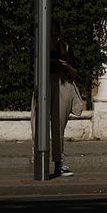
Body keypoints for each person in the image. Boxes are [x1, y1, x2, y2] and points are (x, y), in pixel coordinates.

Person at [32, 24, 85, 178]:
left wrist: (65, 65)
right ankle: (39, 159)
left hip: (62, 84)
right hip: (44, 84)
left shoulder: (65, 48)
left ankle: (59, 163)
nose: (55, 39)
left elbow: (75, 74)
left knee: (58, 126)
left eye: (57, 35)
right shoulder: (40, 47)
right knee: (38, 124)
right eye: (52, 35)